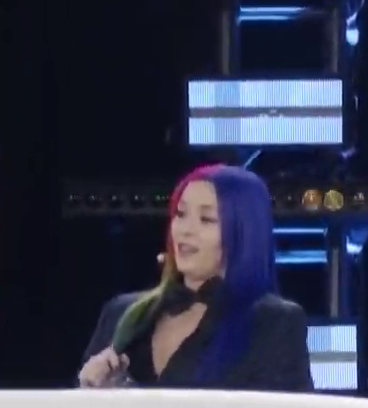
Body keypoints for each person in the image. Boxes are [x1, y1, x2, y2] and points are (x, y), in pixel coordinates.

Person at [78, 164, 312, 392]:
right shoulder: (121, 313)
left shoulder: (274, 322)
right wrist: (93, 389)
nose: (185, 230)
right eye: (180, 214)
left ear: (243, 232)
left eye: (206, 219)